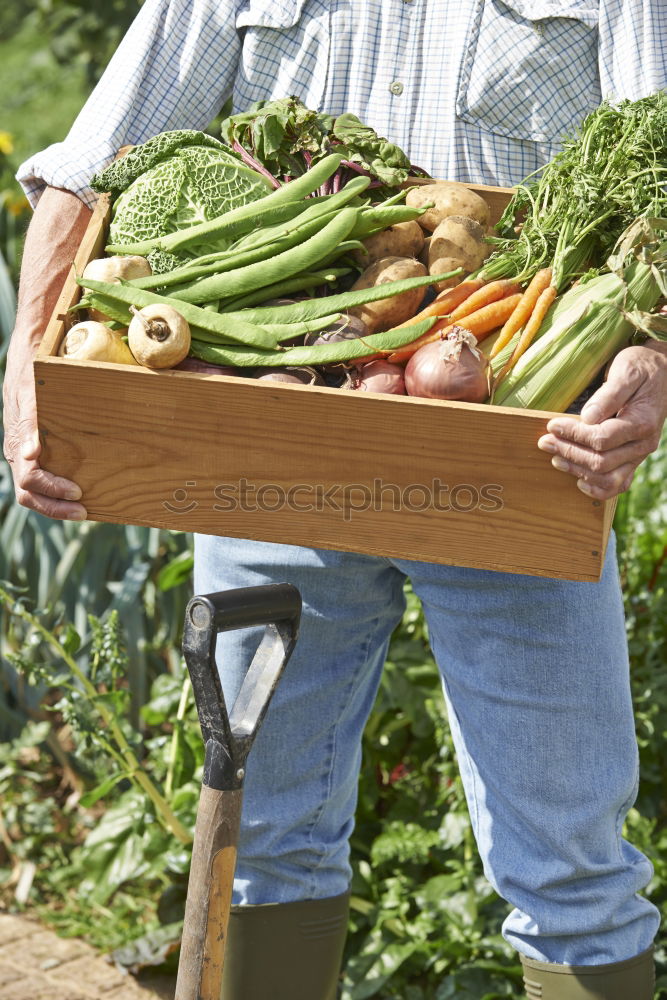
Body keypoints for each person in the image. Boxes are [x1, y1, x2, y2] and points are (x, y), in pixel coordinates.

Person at [5, 2, 667, 997]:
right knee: (259, 831)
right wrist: (28, 363)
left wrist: (652, 359)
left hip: (518, 456)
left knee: (570, 868)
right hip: (272, 443)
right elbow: (90, 162)